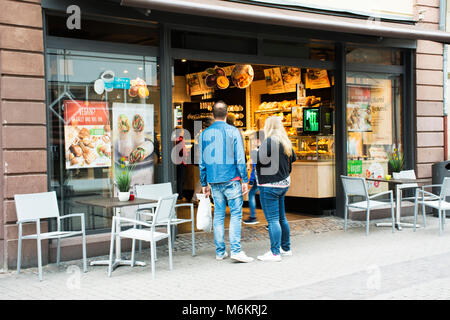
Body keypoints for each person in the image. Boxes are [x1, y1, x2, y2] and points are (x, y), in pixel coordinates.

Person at [199, 100, 253, 263]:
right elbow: (239, 158)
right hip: (232, 179)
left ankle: (220, 251)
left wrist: (204, 183)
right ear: (227, 114)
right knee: (236, 214)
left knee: (219, 216)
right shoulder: (234, 131)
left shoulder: (204, 134)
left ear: (212, 115)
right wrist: (245, 179)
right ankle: (236, 250)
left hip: (214, 181)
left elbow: (202, 161)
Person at [252, 116, 296, 262]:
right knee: (282, 218)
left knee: (272, 220)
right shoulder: (285, 141)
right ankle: (286, 248)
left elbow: (258, 159)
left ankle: (275, 252)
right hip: (283, 184)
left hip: (270, 185)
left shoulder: (269, 141)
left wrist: (254, 150)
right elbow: (293, 158)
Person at [174, 126, 188, 201]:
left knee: (179, 178)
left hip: (176, 161)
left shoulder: (175, 139)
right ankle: (180, 195)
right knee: (181, 179)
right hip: (181, 161)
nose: (183, 131)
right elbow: (182, 151)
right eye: (182, 130)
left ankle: (179, 194)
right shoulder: (180, 139)